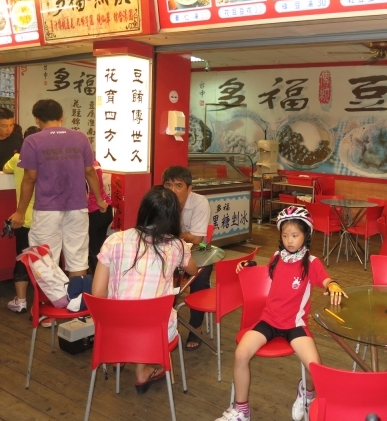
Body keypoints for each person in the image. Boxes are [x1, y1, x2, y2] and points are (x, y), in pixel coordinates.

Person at [215, 206, 347, 421]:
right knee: (240, 354)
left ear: (306, 235)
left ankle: (307, 393)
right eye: (285, 235)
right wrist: (249, 263)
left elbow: (326, 279)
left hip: (294, 325)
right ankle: (241, 410)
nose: (289, 240)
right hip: (268, 320)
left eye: (295, 235)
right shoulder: (277, 257)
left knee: (315, 366)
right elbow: (267, 271)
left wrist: (332, 285)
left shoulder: (311, 263)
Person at [92, 186, 198, 394]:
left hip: (113, 332)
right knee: (149, 311)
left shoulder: (114, 240)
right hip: (155, 334)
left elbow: (98, 293)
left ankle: (120, 356)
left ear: (143, 211)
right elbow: (193, 270)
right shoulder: (176, 246)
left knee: (131, 306)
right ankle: (142, 371)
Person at [8, 99, 108, 280]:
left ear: (36, 119)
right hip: (78, 208)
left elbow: (29, 178)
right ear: (62, 116)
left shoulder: (32, 141)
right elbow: (89, 172)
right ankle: (77, 296)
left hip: (47, 210)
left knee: (45, 259)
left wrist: (20, 212)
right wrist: (99, 199)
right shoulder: (80, 137)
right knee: (78, 259)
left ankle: (54, 297)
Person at [162, 165, 212, 351]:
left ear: (189, 188)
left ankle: (195, 326)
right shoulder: (161, 200)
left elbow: (197, 239)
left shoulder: (199, 202)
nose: (172, 190)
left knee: (200, 277)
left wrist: (172, 236)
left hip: (198, 251)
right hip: (168, 251)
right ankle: (161, 322)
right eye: (168, 185)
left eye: (178, 185)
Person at [3, 126, 40, 313]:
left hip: (23, 219)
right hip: (46, 219)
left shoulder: (17, 158)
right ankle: (42, 304)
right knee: (45, 261)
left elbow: (5, 169)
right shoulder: (47, 159)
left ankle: (22, 301)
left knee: (22, 258)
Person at [87, 159, 113, 275]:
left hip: (94, 210)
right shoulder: (95, 163)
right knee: (101, 249)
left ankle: (96, 278)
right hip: (106, 208)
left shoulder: (84, 166)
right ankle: (105, 277)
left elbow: (85, 195)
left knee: (92, 249)